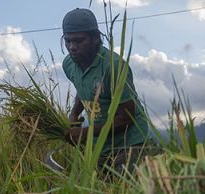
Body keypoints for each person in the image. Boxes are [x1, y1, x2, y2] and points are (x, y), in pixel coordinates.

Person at [61, 8, 152, 174]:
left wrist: (84, 133)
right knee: (98, 192)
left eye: (79, 41)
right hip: (101, 145)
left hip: (129, 143)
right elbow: (83, 88)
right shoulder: (69, 64)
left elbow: (126, 118)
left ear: (96, 38)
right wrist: (74, 114)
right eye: (68, 41)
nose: (72, 47)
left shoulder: (114, 66)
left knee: (124, 191)